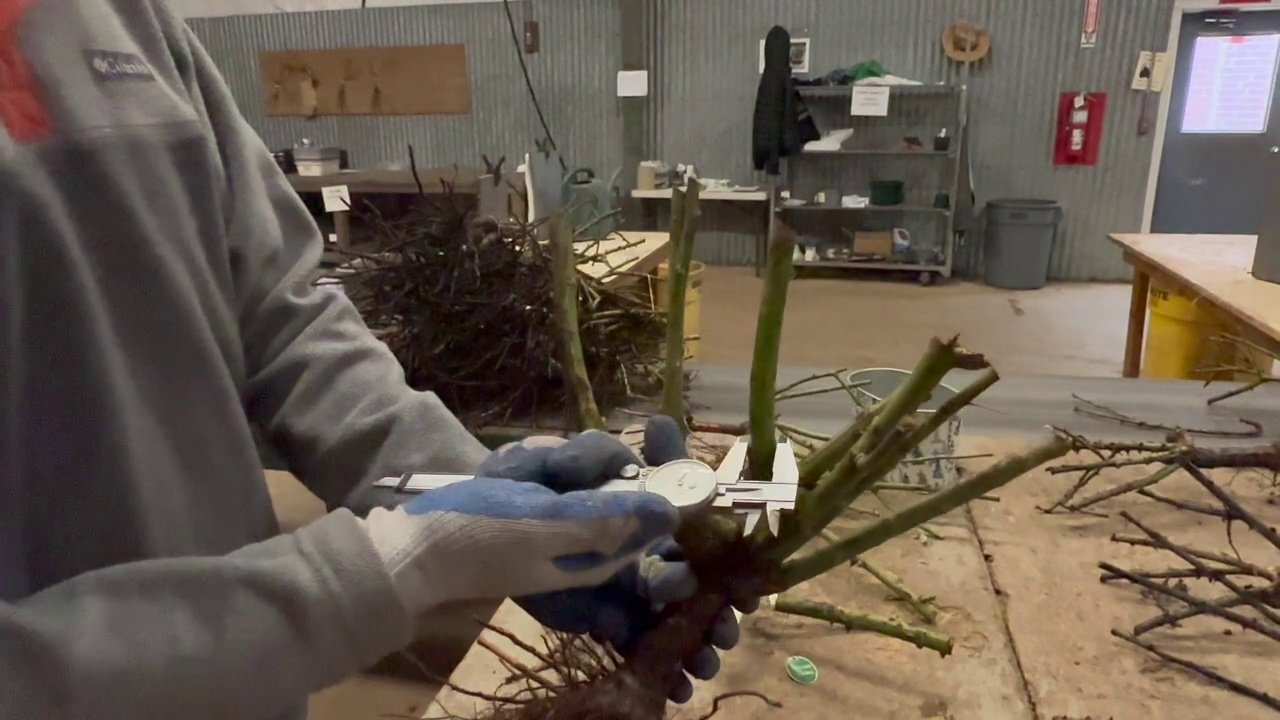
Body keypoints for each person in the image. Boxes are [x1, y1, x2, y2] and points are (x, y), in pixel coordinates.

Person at [0, 2, 750, 718]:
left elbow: (280, 317)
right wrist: (395, 563)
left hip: (253, 695)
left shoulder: (127, 18)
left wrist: (473, 490)